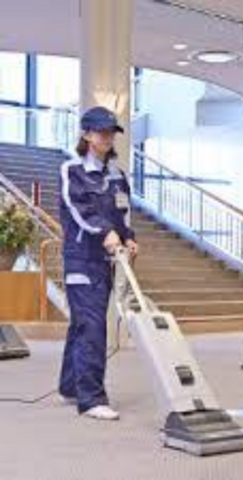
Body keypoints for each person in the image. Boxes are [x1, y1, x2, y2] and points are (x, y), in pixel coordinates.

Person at [58, 106, 138, 420]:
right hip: (81, 260)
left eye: (111, 132)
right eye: (101, 131)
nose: (107, 137)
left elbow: (123, 213)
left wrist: (128, 237)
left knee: (82, 323)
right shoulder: (72, 170)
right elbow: (79, 209)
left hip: (105, 261)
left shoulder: (117, 176)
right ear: (87, 134)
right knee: (92, 326)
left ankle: (70, 386)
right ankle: (91, 399)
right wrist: (105, 232)